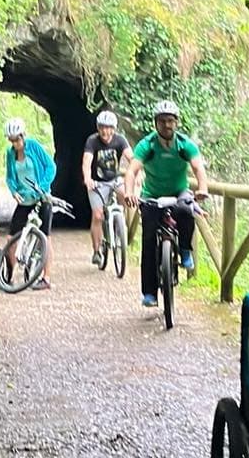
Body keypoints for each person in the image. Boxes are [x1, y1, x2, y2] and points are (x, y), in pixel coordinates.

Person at [125, 100, 209, 309]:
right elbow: (132, 170)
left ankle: (185, 250)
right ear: (156, 123)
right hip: (152, 194)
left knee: (185, 210)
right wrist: (129, 192)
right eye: (162, 121)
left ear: (176, 123)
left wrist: (203, 188)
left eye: (170, 121)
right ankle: (150, 293)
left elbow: (198, 167)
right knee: (148, 240)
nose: (167, 125)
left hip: (178, 191)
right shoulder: (147, 145)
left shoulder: (184, 144)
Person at [3, 117, 57, 290]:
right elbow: (10, 177)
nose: (15, 144)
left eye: (17, 139)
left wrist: (42, 187)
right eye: (12, 141)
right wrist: (14, 191)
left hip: (42, 198)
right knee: (11, 237)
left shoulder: (33, 146)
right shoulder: (10, 154)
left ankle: (46, 278)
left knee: (45, 237)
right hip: (24, 200)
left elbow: (51, 166)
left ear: (23, 136)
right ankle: (8, 275)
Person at [81, 109, 131, 263]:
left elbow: (132, 157)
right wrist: (88, 178)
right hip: (97, 183)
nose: (105, 131)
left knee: (125, 194)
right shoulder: (92, 141)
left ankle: (119, 224)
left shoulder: (120, 140)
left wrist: (136, 174)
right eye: (102, 127)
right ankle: (96, 251)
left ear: (114, 129)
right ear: (98, 128)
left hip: (114, 179)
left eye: (108, 127)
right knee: (97, 215)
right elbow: (87, 162)